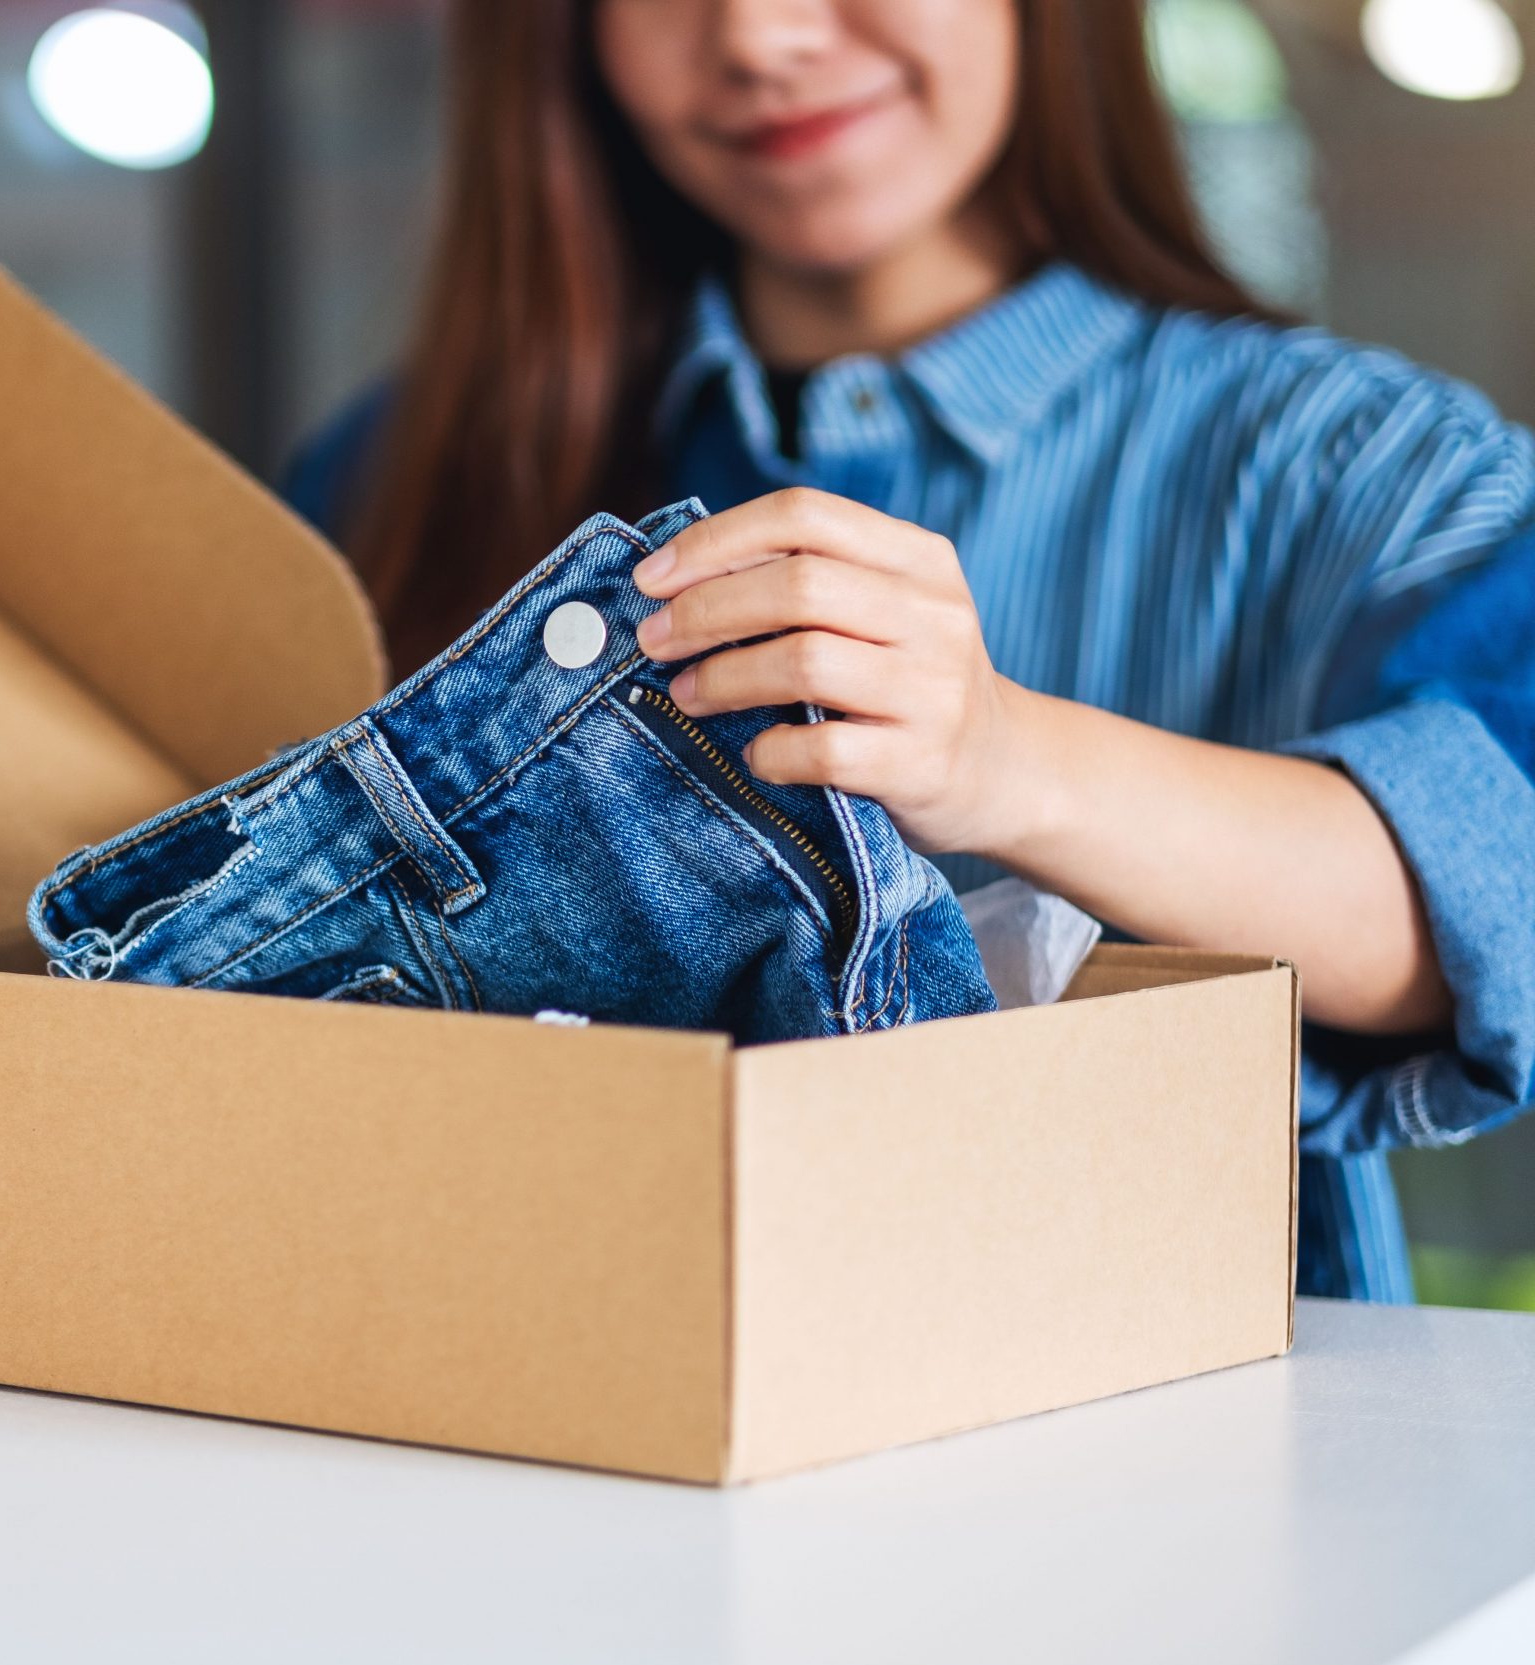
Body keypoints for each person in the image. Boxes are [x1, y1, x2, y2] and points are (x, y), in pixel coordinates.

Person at [283, 0, 1535, 1302]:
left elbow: (1510, 882)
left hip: (1163, 1463)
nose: (762, 37)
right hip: (556, 1405)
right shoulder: (403, 479)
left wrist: (1013, 758)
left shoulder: (1363, 467)